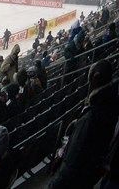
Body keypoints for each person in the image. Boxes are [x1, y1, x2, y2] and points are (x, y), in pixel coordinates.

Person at [48, 60, 118, 189]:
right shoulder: (111, 102)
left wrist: (54, 185)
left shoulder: (90, 117)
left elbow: (71, 163)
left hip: (74, 179)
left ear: (95, 77)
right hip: (88, 176)